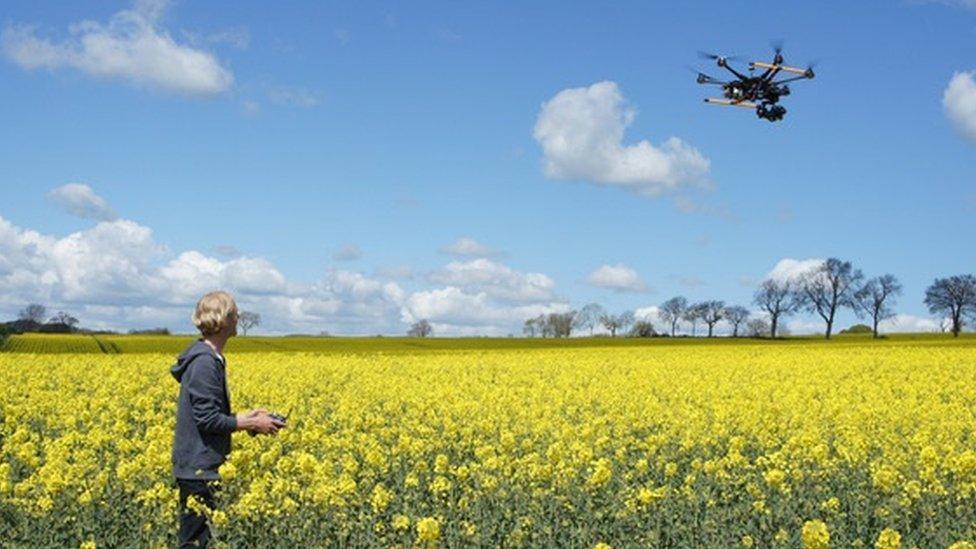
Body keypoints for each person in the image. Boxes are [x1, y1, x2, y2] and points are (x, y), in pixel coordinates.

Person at [170, 291, 286, 548]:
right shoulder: (204, 363)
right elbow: (207, 419)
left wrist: (248, 416)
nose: (239, 317)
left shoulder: (210, 358)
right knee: (194, 543)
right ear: (224, 319)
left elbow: (210, 414)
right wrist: (252, 424)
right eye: (236, 313)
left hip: (203, 465)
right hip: (199, 468)